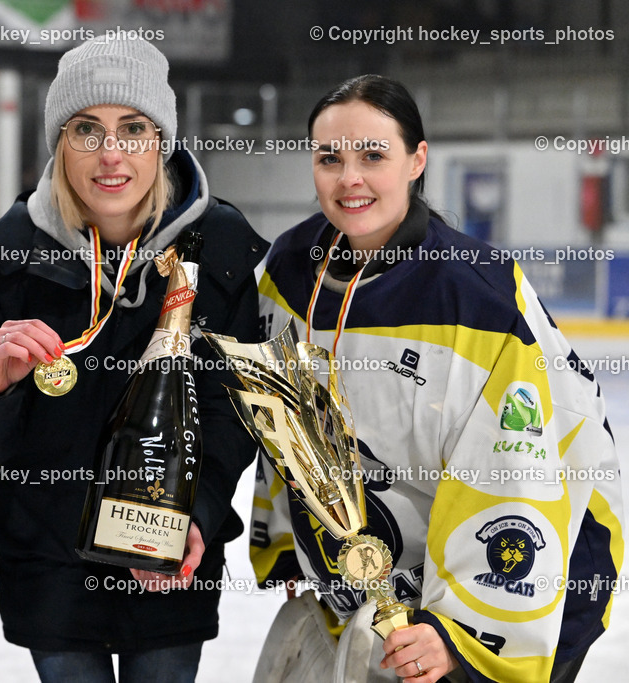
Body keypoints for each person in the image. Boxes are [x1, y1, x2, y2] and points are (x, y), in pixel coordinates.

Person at [250, 74, 624, 683]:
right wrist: (287, 542)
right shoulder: (289, 271)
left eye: (374, 155)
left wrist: (460, 636)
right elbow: (283, 420)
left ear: (417, 160)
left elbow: (513, 477)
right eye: (329, 158)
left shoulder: (478, 301)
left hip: (515, 593)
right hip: (371, 592)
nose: (350, 178)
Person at [0, 37, 267, 682]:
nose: (111, 153)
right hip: (49, 563)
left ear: (162, 140)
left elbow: (238, 416)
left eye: (134, 129)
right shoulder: (10, 247)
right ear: (59, 142)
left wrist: (197, 515)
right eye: (86, 129)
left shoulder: (220, 246)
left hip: (166, 552)